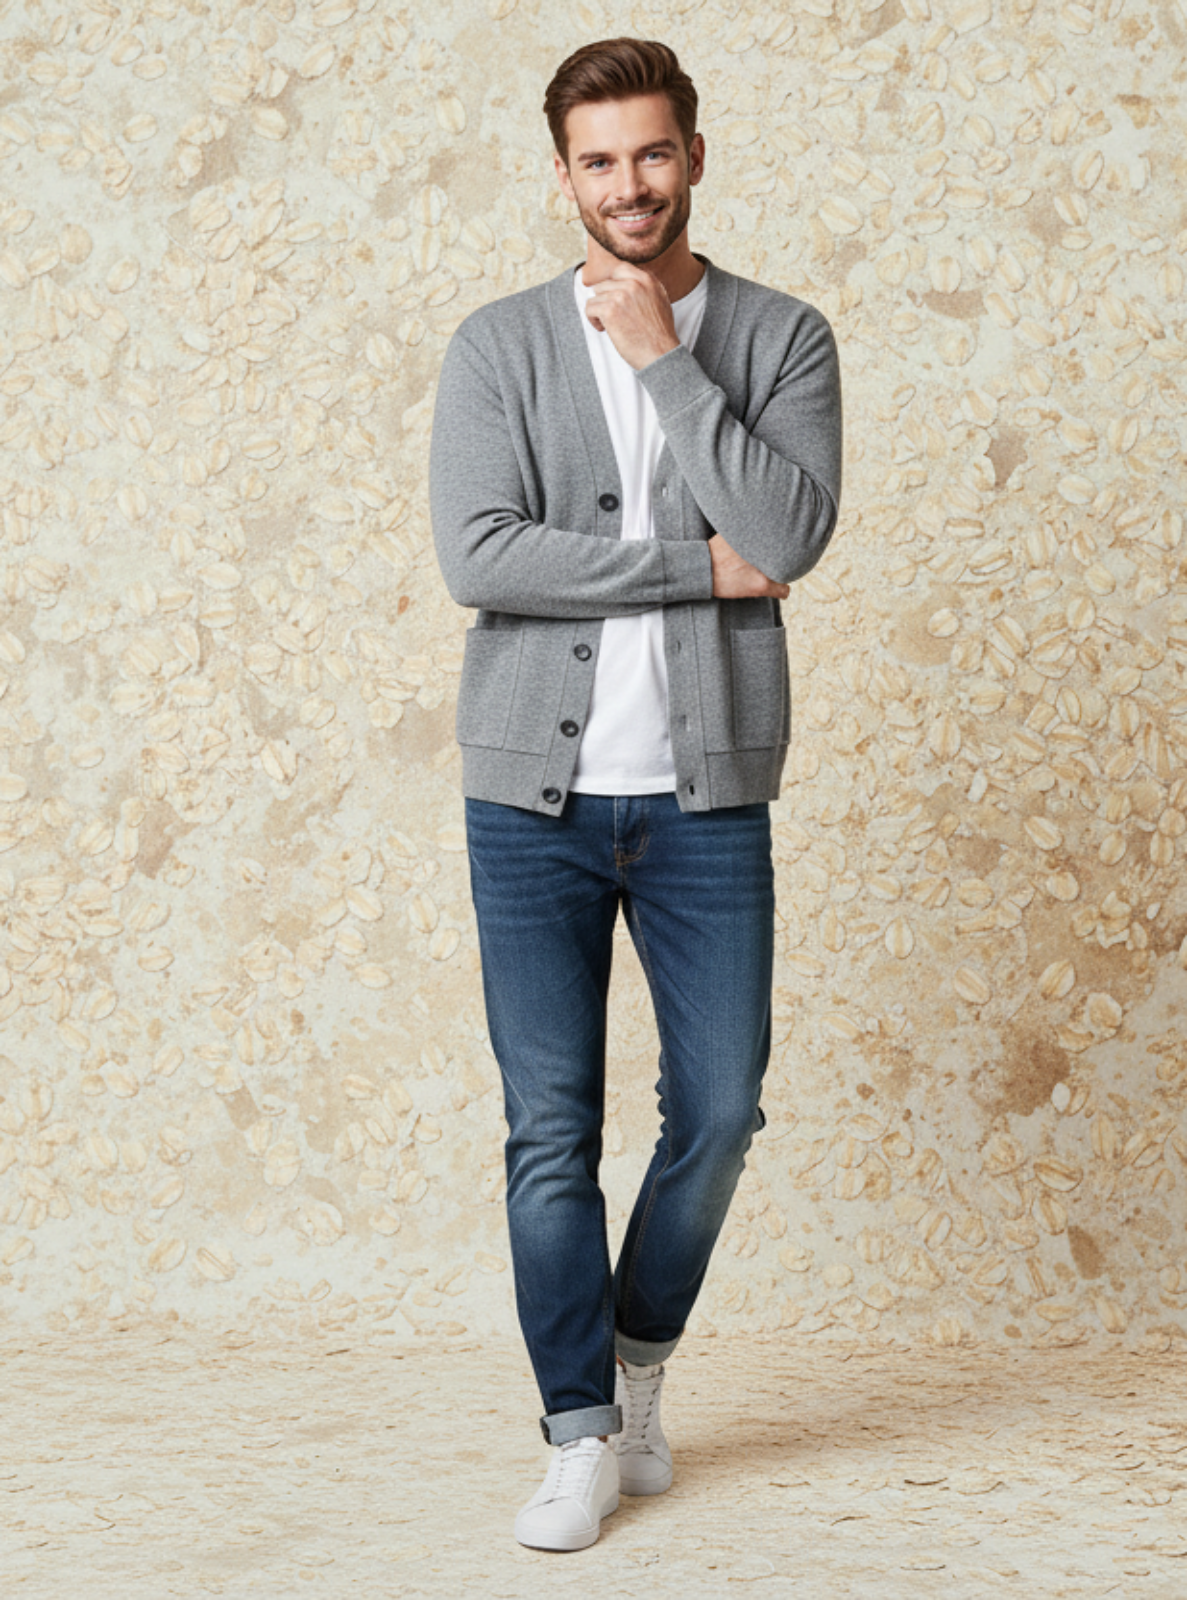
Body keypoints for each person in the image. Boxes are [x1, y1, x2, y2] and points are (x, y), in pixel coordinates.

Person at [429, 36, 842, 1552]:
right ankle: (577, 1432)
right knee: (550, 1126)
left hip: (704, 798)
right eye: (597, 161)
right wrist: (693, 572)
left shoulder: (782, 337)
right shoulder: (496, 346)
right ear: (563, 177)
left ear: (695, 158)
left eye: (651, 153)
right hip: (528, 804)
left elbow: (785, 530)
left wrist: (666, 359)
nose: (627, 185)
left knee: (720, 1108)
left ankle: (639, 1360)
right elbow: (480, 555)